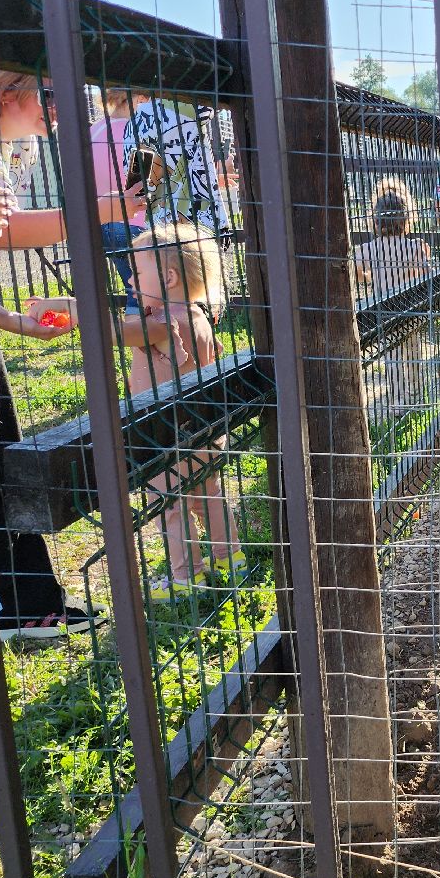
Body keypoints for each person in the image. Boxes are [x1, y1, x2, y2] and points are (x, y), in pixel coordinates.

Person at [0, 67, 137, 639]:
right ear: (10, 92)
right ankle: (9, 603)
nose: (62, 110)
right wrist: (2, 315)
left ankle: (16, 600)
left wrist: (105, 210)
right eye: (52, 95)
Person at [125, 222, 241, 602]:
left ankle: (186, 575)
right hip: (204, 431)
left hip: (164, 439)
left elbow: (110, 331)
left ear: (169, 276)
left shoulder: (160, 324)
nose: (129, 280)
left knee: (169, 506)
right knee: (208, 493)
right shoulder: (198, 317)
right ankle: (230, 557)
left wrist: (76, 313)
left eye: (137, 272)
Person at [353, 178, 434, 411]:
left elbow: (357, 272)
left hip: (385, 315)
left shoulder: (368, 249)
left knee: (393, 358)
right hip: (411, 311)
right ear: (406, 220)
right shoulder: (415, 246)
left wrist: (370, 277)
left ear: (376, 221)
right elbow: (425, 274)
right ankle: (418, 395)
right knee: (414, 351)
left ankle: (399, 401)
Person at [123, 98, 232, 236]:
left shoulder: (133, 122)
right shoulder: (180, 105)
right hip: (197, 225)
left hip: (157, 227)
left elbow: (136, 183)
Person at [89, 89, 149, 303]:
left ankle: (138, 332)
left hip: (102, 224)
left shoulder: (93, 131)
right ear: (138, 97)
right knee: (149, 294)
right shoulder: (136, 131)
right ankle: (141, 335)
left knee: (136, 291)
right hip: (135, 224)